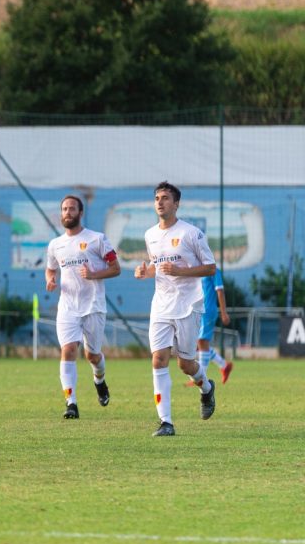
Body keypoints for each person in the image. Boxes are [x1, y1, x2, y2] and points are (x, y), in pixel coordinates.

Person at [134, 181, 218, 437]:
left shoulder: (192, 233)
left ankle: (206, 388)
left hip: (188, 305)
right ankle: (166, 422)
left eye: (165, 198)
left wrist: (181, 271)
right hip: (161, 305)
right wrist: (145, 272)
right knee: (158, 359)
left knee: (185, 364)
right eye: (157, 198)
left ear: (176, 204)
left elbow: (210, 268)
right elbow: (157, 267)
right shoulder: (150, 235)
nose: (160, 202)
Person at [45, 195, 120, 420]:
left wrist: (94, 274)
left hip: (93, 306)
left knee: (92, 355)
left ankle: (99, 380)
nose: (67, 212)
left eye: (71, 209)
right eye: (64, 209)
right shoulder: (55, 245)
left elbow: (116, 268)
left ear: (80, 212)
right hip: (68, 306)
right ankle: (71, 403)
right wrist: (50, 279)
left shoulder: (97, 239)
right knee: (68, 350)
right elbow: (50, 268)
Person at [185, 269, 234, 387]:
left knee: (202, 341)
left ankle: (200, 378)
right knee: (201, 344)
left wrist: (224, 312)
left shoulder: (214, 271)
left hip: (208, 311)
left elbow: (220, 291)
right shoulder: (199, 270)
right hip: (198, 311)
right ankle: (224, 365)